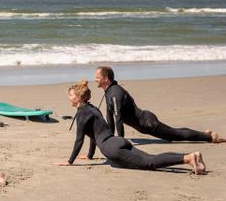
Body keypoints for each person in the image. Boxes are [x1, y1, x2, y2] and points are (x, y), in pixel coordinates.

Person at [54, 81, 206, 174]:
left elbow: (79, 140)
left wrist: (70, 161)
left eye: (71, 95)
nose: (69, 98)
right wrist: (89, 156)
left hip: (111, 148)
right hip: (118, 141)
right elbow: (94, 135)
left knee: (149, 163)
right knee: (150, 158)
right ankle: (191, 156)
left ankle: (187, 158)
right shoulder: (93, 108)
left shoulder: (82, 114)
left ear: (79, 98)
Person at [95, 66, 225, 143]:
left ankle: (209, 137)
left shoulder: (114, 94)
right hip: (146, 122)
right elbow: (110, 118)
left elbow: (118, 120)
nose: (95, 79)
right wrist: (110, 139)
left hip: (149, 124)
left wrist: (120, 143)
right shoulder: (109, 92)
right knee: (174, 132)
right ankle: (205, 133)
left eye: (97, 77)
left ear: (106, 79)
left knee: (176, 135)